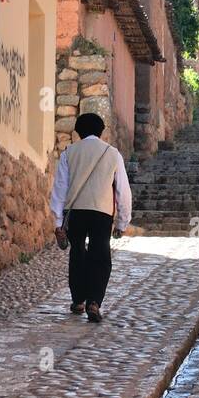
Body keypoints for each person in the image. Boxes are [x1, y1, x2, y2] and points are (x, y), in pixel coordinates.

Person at [49, 112, 132, 323]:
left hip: (75, 211)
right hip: (102, 212)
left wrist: (58, 223)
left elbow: (60, 188)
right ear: (102, 131)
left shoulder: (69, 153)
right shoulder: (113, 154)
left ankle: (78, 300)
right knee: (101, 255)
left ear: (78, 131)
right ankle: (94, 301)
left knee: (77, 252)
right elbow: (123, 190)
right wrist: (122, 222)